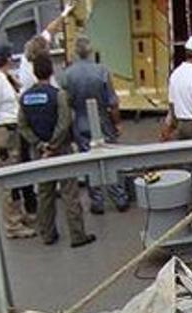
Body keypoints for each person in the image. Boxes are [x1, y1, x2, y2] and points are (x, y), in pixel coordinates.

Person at [18, 56, 95, 248]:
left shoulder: (25, 98)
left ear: (34, 73)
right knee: (70, 192)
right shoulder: (58, 95)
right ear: (51, 72)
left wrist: (40, 145)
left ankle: (47, 233)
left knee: (45, 194)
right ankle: (77, 235)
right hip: (61, 150)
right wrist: (54, 144)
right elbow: (64, 121)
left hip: (40, 153)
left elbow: (23, 126)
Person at [62, 35, 129, 214]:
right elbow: (112, 102)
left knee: (88, 163)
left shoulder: (68, 75)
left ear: (75, 52)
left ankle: (97, 201)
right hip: (103, 120)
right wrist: (117, 123)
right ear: (91, 51)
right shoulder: (102, 71)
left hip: (81, 123)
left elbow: (65, 105)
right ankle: (119, 196)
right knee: (112, 159)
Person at [0, 43, 36, 239]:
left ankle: (19, 216)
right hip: (4, 133)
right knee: (8, 180)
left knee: (16, 174)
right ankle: (12, 224)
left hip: (12, 131)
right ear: (7, 59)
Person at [17, 14, 64, 91]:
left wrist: (64, 14)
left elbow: (50, 29)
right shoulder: (30, 71)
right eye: (47, 48)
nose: (49, 50)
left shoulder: (34, 48)